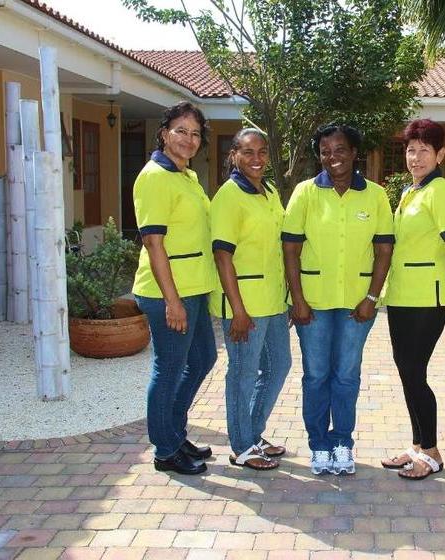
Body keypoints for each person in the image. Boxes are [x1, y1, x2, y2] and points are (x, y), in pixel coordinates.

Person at [282, 124, 394, 476]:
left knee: (346, 374)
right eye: (326, 151)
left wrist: (372, 297)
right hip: (313, 303)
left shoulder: (375, 195)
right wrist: (297, 299)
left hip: (357, 304)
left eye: (340, 149)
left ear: (354, 152)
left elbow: (384, 250)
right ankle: (318, 444)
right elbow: (290, 249)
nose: (333, 157)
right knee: (316, 375)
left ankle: (342, 441)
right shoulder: (305, 192)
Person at [133, 101, 217, 476]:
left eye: (195, 133)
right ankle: (165, 449)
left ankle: (174, 433)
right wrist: (172, 301)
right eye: (181, 130)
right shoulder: (154, 177)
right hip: (168, 292)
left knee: (202, 359)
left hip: (194, 286)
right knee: (168, 369)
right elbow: (154, 243)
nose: (188, 139)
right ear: (164, 133)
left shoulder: (187, 176)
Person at [380, 119, 445, 480]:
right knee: (406, 371)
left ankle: (431, 451)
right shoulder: (410, 192)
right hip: (401, 295)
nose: (415, 157)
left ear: (440, 154)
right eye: (411, 150)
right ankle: (416, 445)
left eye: (424, 150)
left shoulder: (441, 192)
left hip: (427, 298)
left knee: (415, 373)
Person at [210, 128, 291, 471]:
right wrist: (238, 311)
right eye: (247, 152)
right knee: (242, 374)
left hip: (273, 301)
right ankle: (241, 446)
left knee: (279, 366)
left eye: (262, 152)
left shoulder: (269, 191)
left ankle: (253, 433)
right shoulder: (229, 196)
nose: (256, 159)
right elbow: (222, 256)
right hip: (243, 305)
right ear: (234, 156)